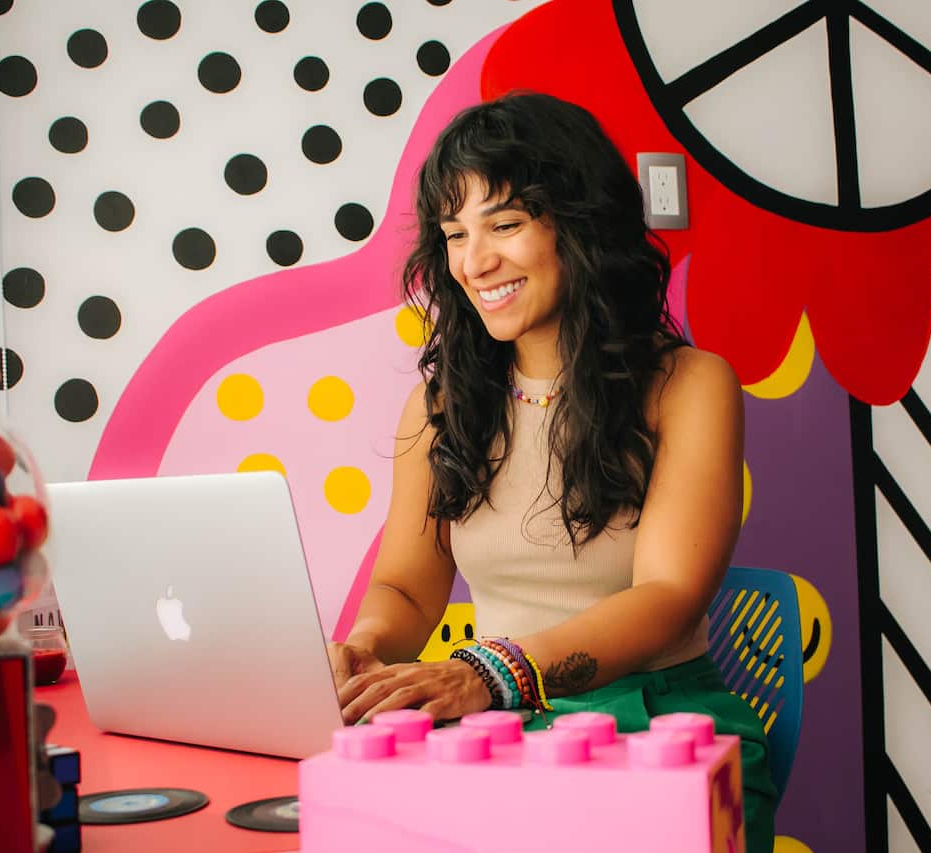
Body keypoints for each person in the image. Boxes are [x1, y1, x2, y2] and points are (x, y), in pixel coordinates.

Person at [328, 92, 776, 850]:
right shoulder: (437, 407)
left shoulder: (690, 384)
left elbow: (668, 595)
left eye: (504, 224)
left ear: (580, 223)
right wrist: (367, 646)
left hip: (658, 718)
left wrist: (493, 674)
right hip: (495, 729)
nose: (475, 262)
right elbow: (406, 584)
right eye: (454, 235)